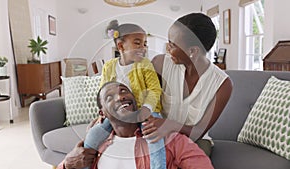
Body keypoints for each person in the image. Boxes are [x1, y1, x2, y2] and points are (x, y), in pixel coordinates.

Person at [57, 81, 214, 169]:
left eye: (124, 91)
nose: (120, 97)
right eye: (110, 97)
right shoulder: (94, 144)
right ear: (102, 113)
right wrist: (67, 164)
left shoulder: (166, 138)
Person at [142, 13, 233, 155]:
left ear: (192, 51)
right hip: (161, 134)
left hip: (195, 140)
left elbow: (198, 132)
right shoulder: (160, 64)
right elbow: (142, 97)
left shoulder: (222, 85)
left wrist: (170, 125)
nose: (167, 48)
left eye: (172, 45)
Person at [84, 20, 166, 169]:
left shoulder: (145, 64)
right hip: (118, 115)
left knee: (154, 138)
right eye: (137, 43)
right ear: (121, 46)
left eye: (145, 44)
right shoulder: (109, 67)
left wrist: (147, 109)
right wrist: (101, 115)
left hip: (147, 111)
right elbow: (103, 92)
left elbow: (155, 89)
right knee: (93, 134)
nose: (143, 48)